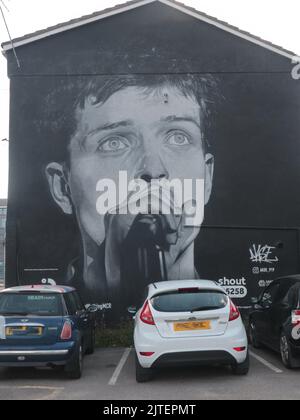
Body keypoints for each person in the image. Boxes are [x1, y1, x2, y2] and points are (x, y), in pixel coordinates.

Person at [45, 74, 218, 318]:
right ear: (63, 187)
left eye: (178, 137)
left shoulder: (218, 305)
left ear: (207, 178)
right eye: (113, 142)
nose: (153, 169)